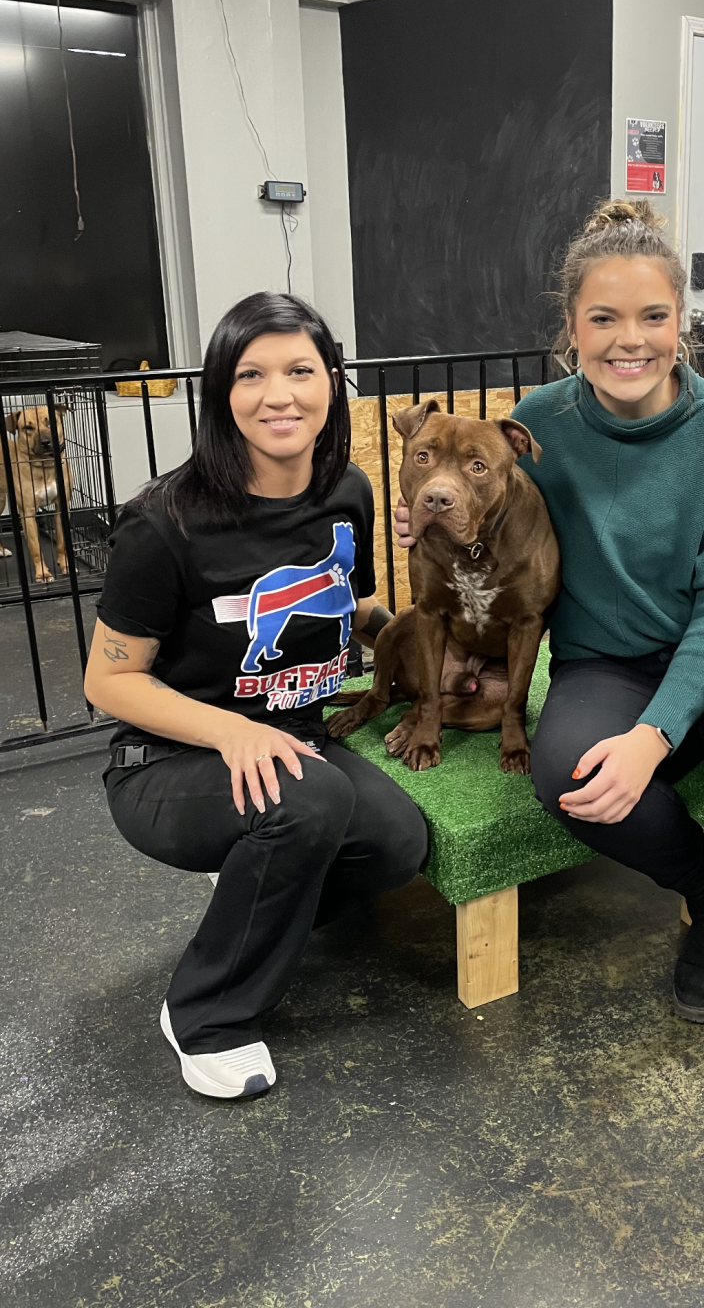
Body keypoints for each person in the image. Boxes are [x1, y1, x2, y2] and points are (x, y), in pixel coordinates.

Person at [398, 201, 704, 1068]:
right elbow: (490, 519)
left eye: (652, 317)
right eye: (603, 318)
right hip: (610, 653)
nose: (627, 341)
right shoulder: (541, 422)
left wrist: (652, 734)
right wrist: (435, 524)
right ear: (571, 328)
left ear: (681, 324)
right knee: (564, 773)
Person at [85, 293, 427, 1099]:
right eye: (252, 375)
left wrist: (417, 634)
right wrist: (232, 734)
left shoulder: (347, 488)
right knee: (305, 803)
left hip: (299, 740)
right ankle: (206, 1013)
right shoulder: (163, 522)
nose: (280, 394)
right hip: (170, 760)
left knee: (396, 843)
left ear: (331, 382)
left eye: (301, 370)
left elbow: (353, 609)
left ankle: (255, 893)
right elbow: (106, 680)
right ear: (220, 393)